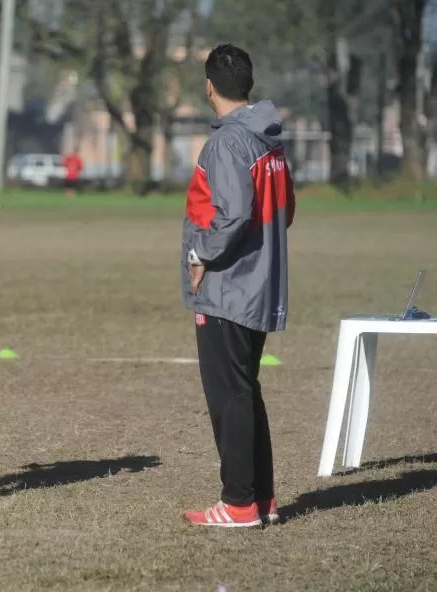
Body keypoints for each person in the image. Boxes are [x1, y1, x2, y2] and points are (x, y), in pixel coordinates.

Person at [180, 43, 295, 528]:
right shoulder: (268, 138)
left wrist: (201, 253)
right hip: (261, 282)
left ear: (209, 86)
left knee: (229, 395)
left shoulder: (227, 143)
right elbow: (285, 209)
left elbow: (232, 215)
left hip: (228, 288)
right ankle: (261, 500)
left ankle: (239, 503)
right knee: (246, 391)